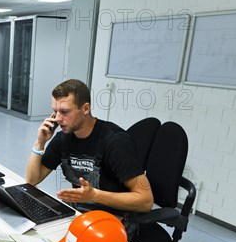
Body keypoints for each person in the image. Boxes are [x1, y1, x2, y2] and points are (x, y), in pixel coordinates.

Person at [26, 79, 153, 231]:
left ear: (85, 109)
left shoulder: (115, 141)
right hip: (80, 213)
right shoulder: (63, 138)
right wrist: (40, 143)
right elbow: (32, 180)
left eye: (65, 112)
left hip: (116, 219)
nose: (58, 119)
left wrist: (94, 195)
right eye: (55, 111)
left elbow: (145, 201)